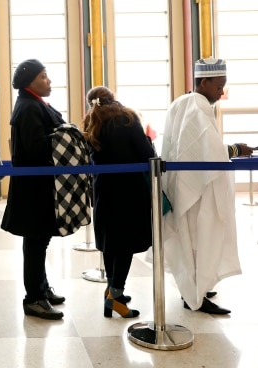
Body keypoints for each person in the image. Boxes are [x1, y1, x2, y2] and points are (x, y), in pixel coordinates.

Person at [162, 58, 258, 315]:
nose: (221, 92)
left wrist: (232, 148)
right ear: (203, 82)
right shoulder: (198, 105)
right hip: (196, 189)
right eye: (219, 86)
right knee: (200, 239)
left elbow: (198, 146)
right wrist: (237, 149)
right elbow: (206, 150)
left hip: (185, 184)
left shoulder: (184, 101)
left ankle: (195, 287)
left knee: (192, 239)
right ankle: (195, 295)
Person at [81, 86, 156, 318]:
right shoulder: (127, 118)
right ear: (113, 98)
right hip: (129, 190)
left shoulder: (91, 122)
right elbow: (146, 153)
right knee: (125, 244)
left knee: (110, 241)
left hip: (103, 189)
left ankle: (112, 294)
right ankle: (116, 296)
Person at [0, 59, 66, 320]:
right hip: (35, 187)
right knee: (36, 241)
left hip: (40, 185)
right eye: (43, 76)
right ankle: (34, 298)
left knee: (40, 240)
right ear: (29, 82)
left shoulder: (33, 103)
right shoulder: (28, 107)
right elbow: (37, 148)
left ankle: (41, 288)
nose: (48, 80)